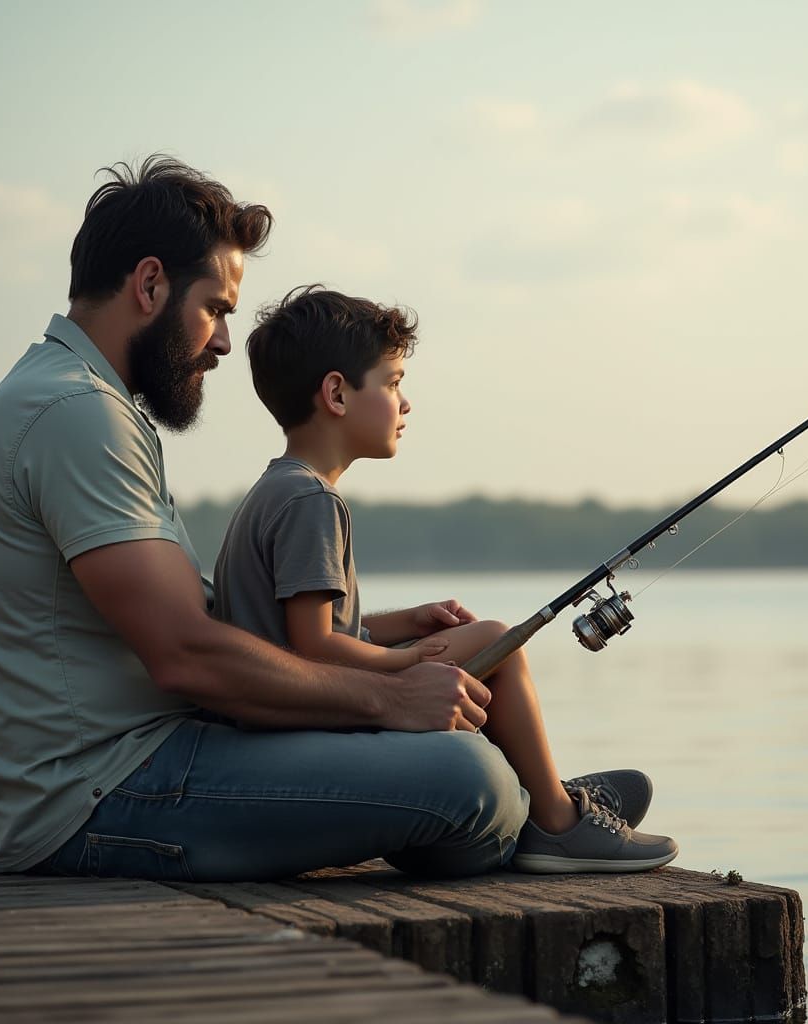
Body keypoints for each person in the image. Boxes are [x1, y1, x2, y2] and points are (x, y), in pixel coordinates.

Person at [0, 156, 532, 881]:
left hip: (140, 761)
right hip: (100, 793)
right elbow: (186, 653)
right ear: (150, 285)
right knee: (473, 780)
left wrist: (387, 637)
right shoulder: (76, 413)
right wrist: (391, 697)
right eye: (215, 309)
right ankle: (536, 820)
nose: (223, 340)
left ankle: (541, 810)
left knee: (463, 758)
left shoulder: (80, 399)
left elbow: (213, 627)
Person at [213, 285, 678, 873]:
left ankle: (544, 798)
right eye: (392, 383)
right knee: (494, 640)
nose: (405, 403)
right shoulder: (312, 501)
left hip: (287, 712)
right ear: (336, 394)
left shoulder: (276, 489)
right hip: (304, 723)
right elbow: (314, 647)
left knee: (476, 639)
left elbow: (302, 630)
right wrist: (411, 663)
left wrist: (407, 625)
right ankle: (558, 824)